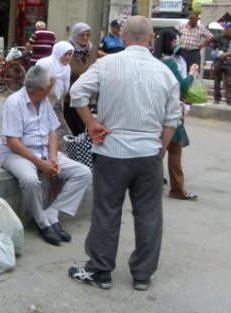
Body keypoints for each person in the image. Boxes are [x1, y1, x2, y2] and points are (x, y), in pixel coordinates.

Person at [67, 16, 181, 291]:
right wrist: (159, 152)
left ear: (124, 38)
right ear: (151, 38)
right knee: (149, 215)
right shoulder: (165, 71)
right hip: (148, 153)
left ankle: (100, 271)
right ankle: (142, 274)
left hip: (112, 151)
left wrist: (92, 124)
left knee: (107, 211)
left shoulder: (108, 64)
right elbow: (172, 119)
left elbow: (77, 92)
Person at [0, 65, 92, 246]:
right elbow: (13, 142)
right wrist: (40, 164)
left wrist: (53, 158)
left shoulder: (44, 102)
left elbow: (52, 131)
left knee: (83, 173)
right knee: (30, 180)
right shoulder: (14, 103)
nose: (53, 88)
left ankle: (53, 212)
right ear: (41, 88)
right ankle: (42, 222)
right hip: (17, 154)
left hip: (43, 152)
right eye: (51, 85)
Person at [153, 28, 200, 201]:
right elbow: (183, 86)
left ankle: (171, 187)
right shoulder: (170, 63)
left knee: (167, 149)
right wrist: (192, 72)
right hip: (170, 112)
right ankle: (174, 188)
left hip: (158, 109)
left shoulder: (156, 60)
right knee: (169, 150)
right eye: (175, 40)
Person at [36, 41, 75, 142]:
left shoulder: (67, 68)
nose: (67, 57)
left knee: (57, 134)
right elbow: (38, 86)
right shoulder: (44, 64)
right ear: (58, 53)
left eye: (70, 54)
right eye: (65, 54)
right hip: (42, 104)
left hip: (57, 104)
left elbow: (64, 90)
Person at [64, 22, 98, 136]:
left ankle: (80, 153)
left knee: (83, 133)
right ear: (75, 35)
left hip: (86, 99)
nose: (85, 38)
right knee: (71, 132)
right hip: (69, 100)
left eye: (88, 35)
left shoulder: (92, 50)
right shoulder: (68, 50)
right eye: (82, 35)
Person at [212, 22, 231, 105]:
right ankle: (216, 98)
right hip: (218, 62)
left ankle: (229, 99)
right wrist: (218, 53)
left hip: (229, 63)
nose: (227, 31)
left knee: (228, 82)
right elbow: (214, 48)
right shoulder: (219, 37)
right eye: (227, 29)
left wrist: (227, 54)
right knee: (217, 81)